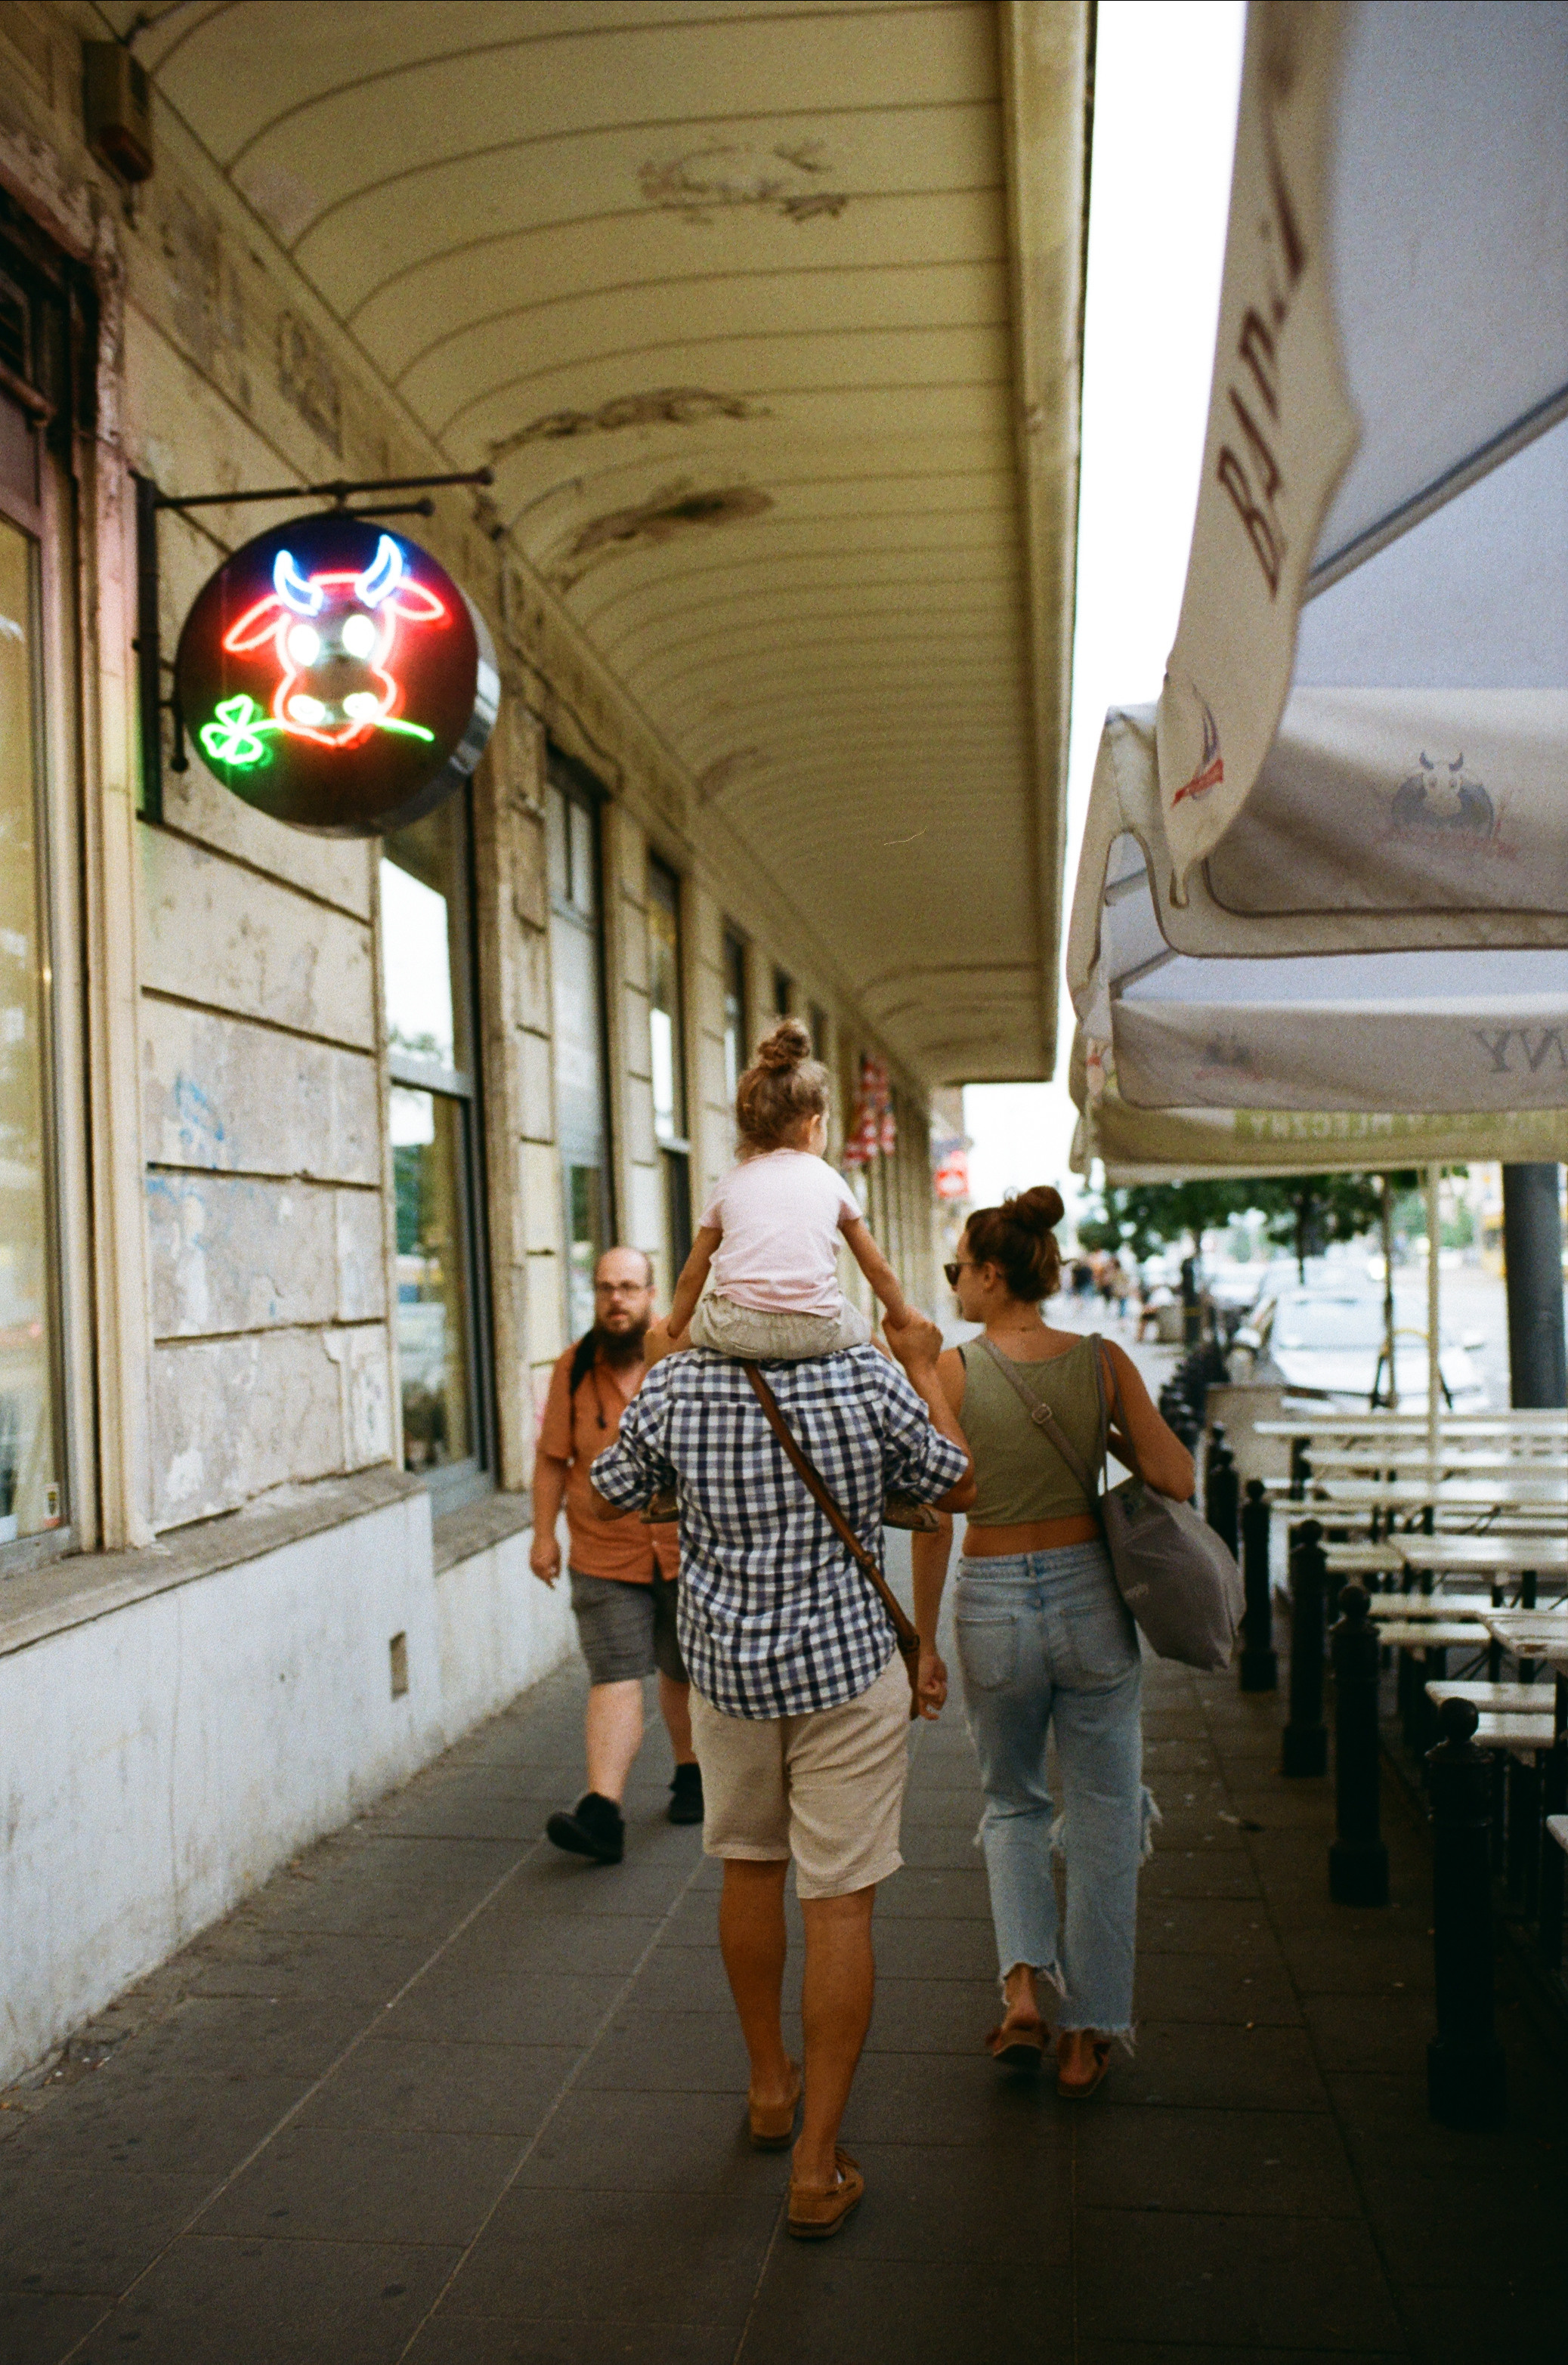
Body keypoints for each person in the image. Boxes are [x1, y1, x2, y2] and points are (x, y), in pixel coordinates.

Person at [589, 1304, 975, 2239]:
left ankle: (770, 2088)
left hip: (727, 1672)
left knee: (749, 1865)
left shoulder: (680, 1382)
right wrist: (922, 1364)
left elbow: (607, 1490)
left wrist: (662, 1349)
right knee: (839, 1899)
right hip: (845, 1669)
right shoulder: (863, 1373)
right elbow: (954, 1484)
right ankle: (815, 2167)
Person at [911, 1187, 1193, 2099]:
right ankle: (1087, 2035)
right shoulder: (1101, 1360)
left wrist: (923, 1643)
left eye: (959, 1267)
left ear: (993, 1276)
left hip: (991, 1601)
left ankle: (1025, 1994)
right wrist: (1097, 1423)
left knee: (1013, 1804)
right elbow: (1174, 1475)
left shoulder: (952, 1372)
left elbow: (932, 1520)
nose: (953, 1280)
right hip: (1088, 1601)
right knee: (1108, 1813)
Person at [531, 1247, 700, 1864]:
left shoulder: (682, 1361)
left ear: (651, 1293)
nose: (616, 1300)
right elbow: (553, 1458)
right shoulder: (574, 1367)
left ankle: (692, 1772)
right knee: (614, 1676)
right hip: (602, 1552)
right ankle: (602, 1809)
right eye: (605, 1288)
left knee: (683, 1674)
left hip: (686, 1550)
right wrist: (543, 1535)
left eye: (628, 1287)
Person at [654, 1017, 910, 1364]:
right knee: (872, 1342)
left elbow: (692, 1275)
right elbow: (876, 1268)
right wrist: (900, 1317)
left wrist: (674, 1331)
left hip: (735, 1329)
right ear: (813, 1126)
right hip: (816, 1328)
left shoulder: (729, 1183)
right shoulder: (830, 1179)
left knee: (674, 1343)